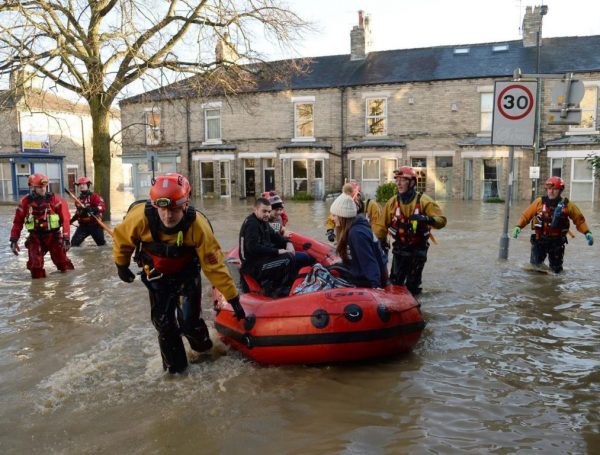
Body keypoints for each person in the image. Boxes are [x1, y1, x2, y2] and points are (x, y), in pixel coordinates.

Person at [112, 173, 245, 374]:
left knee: (189, 322)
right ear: (155, 205)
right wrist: (121, 265)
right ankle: (176, 371)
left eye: (174, 209)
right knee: (164, 324)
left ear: (185, 204)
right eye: (162, 209)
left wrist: (233, 297)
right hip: (156, 276)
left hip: (187, 276)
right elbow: (122, 240)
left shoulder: (198, 226)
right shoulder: (139, 217)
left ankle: (205, 352)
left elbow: (214, 266)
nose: (168, 216)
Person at [374, 166, 447, 295]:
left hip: (418, 249)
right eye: (397, 180)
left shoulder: (424, 201)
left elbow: (441, 221)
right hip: (400, 248)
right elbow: (380, 226)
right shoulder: (392, 203)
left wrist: (426, 218)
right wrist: (379, 244)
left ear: (412, 182)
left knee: (413, 285)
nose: (399, 183)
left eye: (403, 180)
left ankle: (415, 305)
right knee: (395, 283)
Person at [512, 176, 593, 273]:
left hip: (557, 242)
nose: (551, 191)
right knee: (535, 269)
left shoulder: (568, 205)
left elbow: (579, 220)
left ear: (560, 190)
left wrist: (587, 232)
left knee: (556, 271)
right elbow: (526, 216)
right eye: (549, 189)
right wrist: (518, 227)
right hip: (540, 240)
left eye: (554, 189)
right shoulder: (539, 202)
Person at [239, 197, 314, 296]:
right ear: (255, 209)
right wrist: (277, 251)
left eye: (269, 211)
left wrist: (288, 243)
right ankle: (279, 289)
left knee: (305, 257)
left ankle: (301, 280)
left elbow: (275, 237)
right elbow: (253, 248)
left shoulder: (263, 222)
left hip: (263, 259)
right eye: (264, 211)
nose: (267, 214)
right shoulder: (252, 224)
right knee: (287, 259)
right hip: (253, 266)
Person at [9, 173, 74, 278]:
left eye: (44, 186)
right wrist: (14, 240)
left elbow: (66, 219)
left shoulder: (56, 200)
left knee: (63, 264)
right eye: (39, 187)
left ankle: (67, 285)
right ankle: (38, 290)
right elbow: (17, 222)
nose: (43, 189)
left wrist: (66, 238)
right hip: (35, 237)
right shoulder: (25, 202)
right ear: (32, 187)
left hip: (54, 236)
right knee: (35, 267)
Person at [329, 193, 387, 289]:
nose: (332, 218)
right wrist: (343, 260)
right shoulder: (356, 227)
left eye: (334, 215)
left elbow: (369, 262)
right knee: (333, 267)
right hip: (363, 272)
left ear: (342, 216)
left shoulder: (357, 234)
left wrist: (376, 286)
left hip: (368, 280)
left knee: (330, 273)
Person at [70, 177, 107, 246]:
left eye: (83, 184)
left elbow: (102, 207)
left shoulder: (94, 196)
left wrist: (92, 209)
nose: (81, 186)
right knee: (74, 244)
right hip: (83, 226)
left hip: (95, 225)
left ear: (88, 185)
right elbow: (78, 213)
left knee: (102, 245)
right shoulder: (78, 200)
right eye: (80, 184)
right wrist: (71, 220)